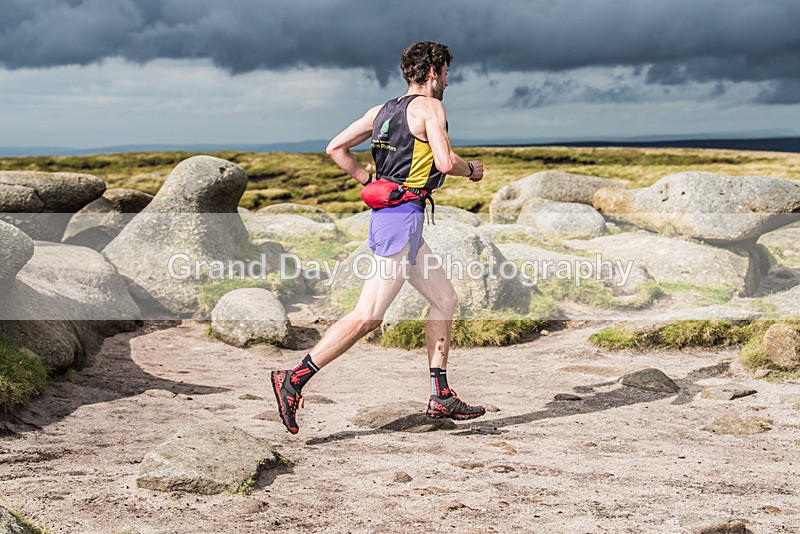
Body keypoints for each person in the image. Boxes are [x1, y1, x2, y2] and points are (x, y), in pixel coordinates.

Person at [271, 41, 486, 434]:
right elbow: (444, 162)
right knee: (368, 316)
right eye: (447, 74)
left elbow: (335, 147)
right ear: (434, 72)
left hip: (398, 220)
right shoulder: (431, 108)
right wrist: (472, 169)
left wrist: (366, 179)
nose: (448, 83)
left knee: (445, 298)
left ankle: (440, 393)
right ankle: (293, 378)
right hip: (402, 221)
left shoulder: (381, 111)